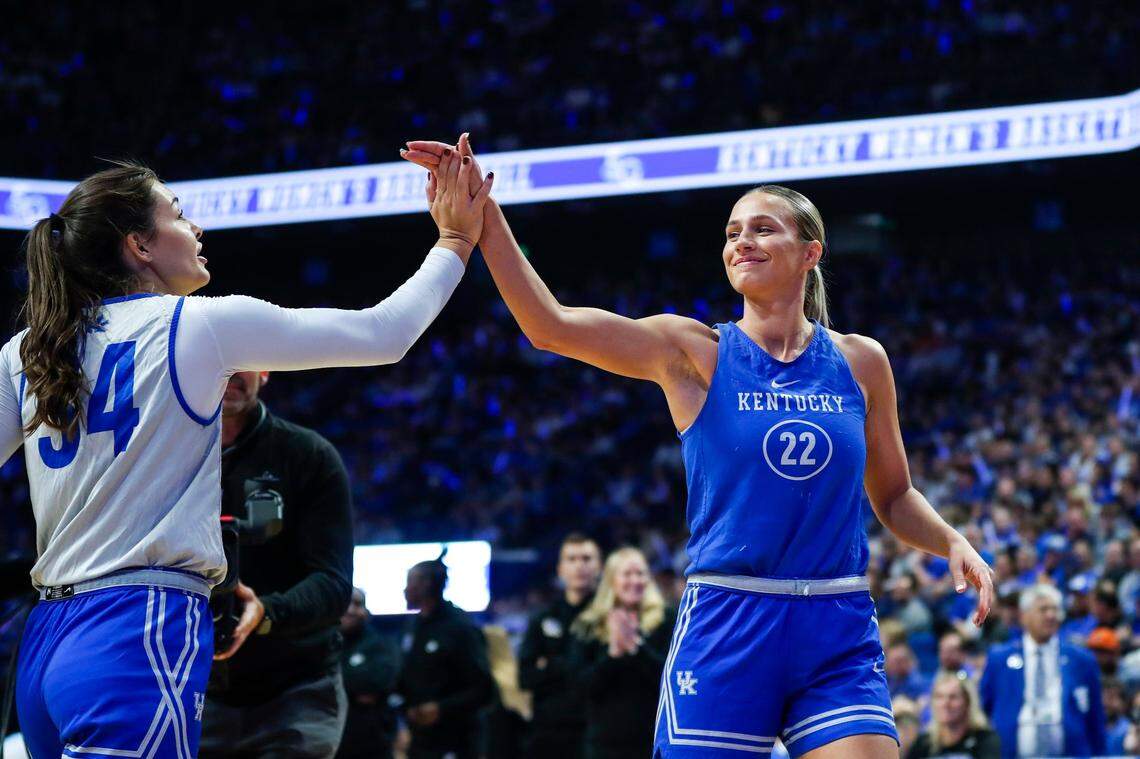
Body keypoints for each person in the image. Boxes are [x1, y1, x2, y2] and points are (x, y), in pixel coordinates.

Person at [401, 135, 994, 758]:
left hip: (835, 619)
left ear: (810, 252)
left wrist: (951, 540)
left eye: (763, 229)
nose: (742, 241)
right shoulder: (694, 350)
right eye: (733, 231)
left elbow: (894, 495)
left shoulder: (861, 361)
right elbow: (549, 326)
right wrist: (485, 218)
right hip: (729, 619)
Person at [3, 158, 491, 758]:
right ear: (140, 246)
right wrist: (455, 241)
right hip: (137, 624)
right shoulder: (198, 325)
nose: (196, 229)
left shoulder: (31, 346)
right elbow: (383, 334)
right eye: (178, 215)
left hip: (46, 637)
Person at [198, 369, 354, 758]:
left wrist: (265, 611)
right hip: (193, 689)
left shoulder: (308, 455)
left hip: (296, 689)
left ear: (265, 369)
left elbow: (333, 584)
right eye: (219, 356)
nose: (232, 369)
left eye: (245, 356)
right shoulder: (158, 454)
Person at [567, 547, 675, 758]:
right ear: (611, 580)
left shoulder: (667, 620)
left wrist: (636, 647)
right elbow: (578, 689)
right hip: (602, 745)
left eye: (640, 573)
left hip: (653, 743)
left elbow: (671, 682)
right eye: (627, 574)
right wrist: (614, 654)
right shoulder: (588, 624)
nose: (635, 580)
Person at [979, 584, 1107, 757]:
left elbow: (1095, 717)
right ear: (1024, 617)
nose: (1051, 615)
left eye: (1055, 609)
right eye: (1043, 609)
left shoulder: (1082, 660)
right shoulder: (999, 659)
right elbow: (984, 706)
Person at [394, 558, 498, 758]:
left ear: (426, 584)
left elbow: (484, 689)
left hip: (457, 740)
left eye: (410, 582)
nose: (405, 590)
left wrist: (441, 709)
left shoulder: (460, 627)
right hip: (420, 741)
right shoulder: (413, 626)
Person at [518, 532, 602, 758]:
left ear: (599, 567)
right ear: (560, 569)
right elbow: (524, 677)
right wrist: (573, 666)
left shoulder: (609, 618)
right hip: (547, 734)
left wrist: (549, 664)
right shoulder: (542, 618)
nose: (579, 566)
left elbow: (602, 679)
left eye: (586, 559)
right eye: (571, 559)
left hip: (595, 733)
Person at [336, 588, 402, 759]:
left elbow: (378, 681)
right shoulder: (323, 643)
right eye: (346, 603)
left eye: (357, 604)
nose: (350, 610)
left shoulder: (380, 644)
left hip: (371, 744)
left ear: (366, 612)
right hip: (331, 742)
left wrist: (336, 682)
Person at [906, 673, 1000, 758]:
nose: (945, 703)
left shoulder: (985, 740)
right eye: (939, 697)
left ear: (968, 703)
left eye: (953, 697)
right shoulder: (923, 743)